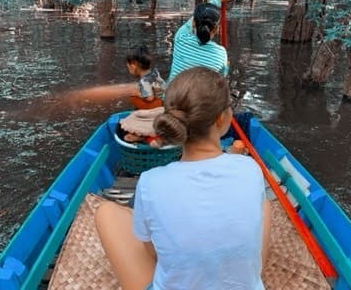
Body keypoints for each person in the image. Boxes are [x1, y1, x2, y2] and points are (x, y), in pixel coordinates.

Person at [96, 67, 271, 290]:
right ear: (221, 118)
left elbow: (152, 253)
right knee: (264, 206)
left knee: (106, 212)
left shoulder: (150, 182)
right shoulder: (250, 168)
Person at [167, 0, 234, 83]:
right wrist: (226, 67)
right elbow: (221, 78)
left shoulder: (181, 37)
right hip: (198, 97)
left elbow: (195, 18)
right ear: (216, 29)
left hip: (171, 96)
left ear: (194, 23)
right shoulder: (221, 54)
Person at [126, 45, 166, 110]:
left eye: (128, 67)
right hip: (165, 99)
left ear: (133, 66)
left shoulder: (144, 81)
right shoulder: (154, 72)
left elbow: (150, 98)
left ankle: (145, 112)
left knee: (133, 97)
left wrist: (138, 94)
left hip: (160, 104)